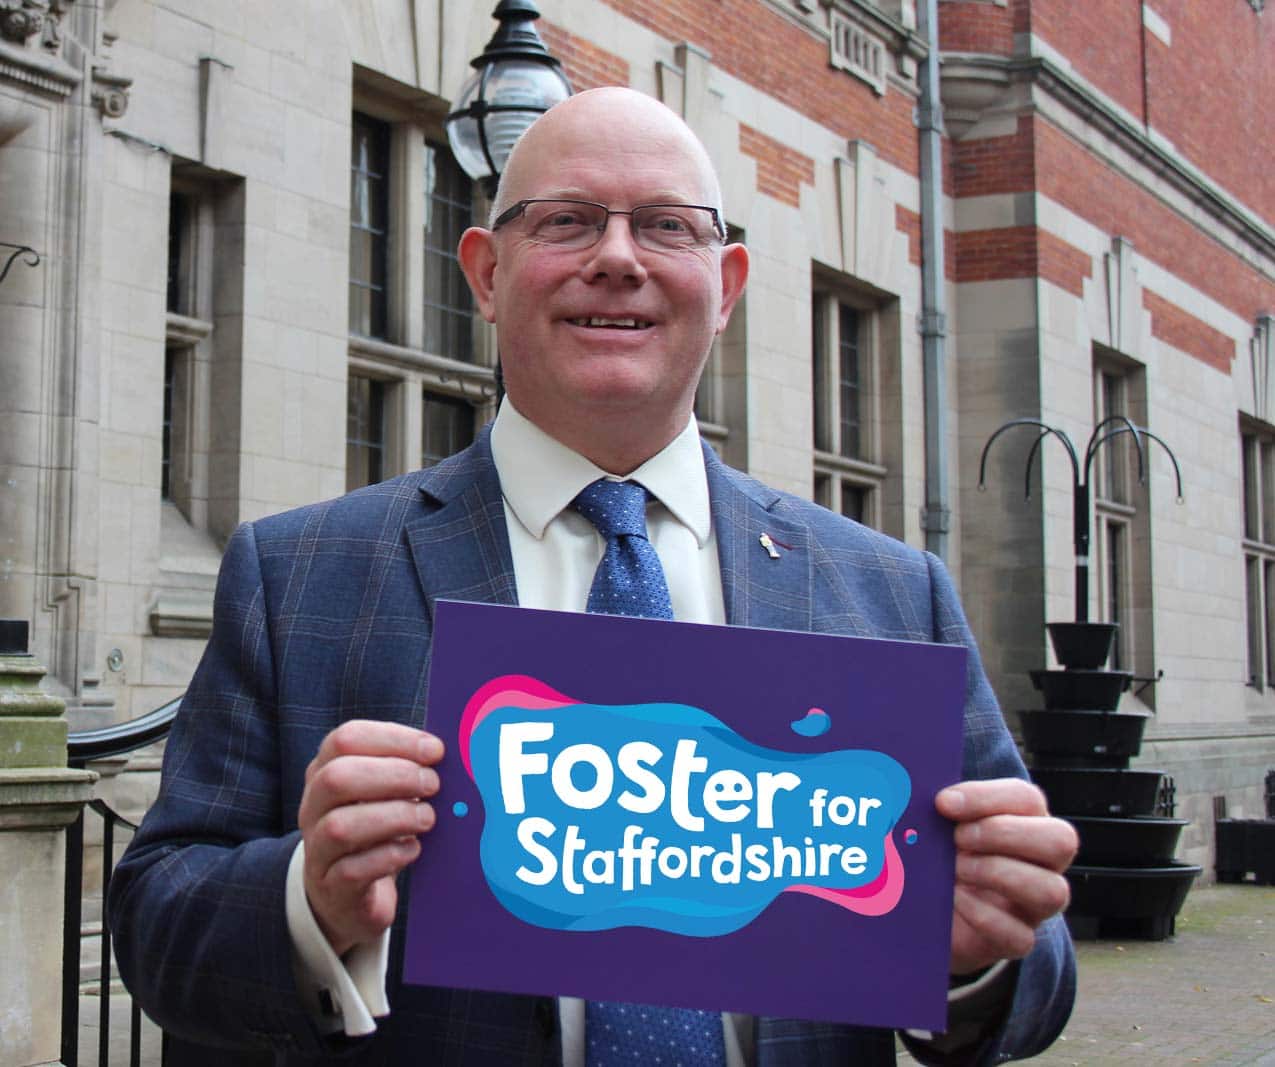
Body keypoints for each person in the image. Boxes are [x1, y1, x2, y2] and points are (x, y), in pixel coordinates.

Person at [108, 87, 1077, 1065]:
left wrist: (971, 957)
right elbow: (158, 921)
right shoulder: (298, 575)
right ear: (487, 274)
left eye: (667, 225)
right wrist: (309, 899)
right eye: (567, 221)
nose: (618, 257)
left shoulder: (893, 592)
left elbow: (1036, 970)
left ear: (726, 286)